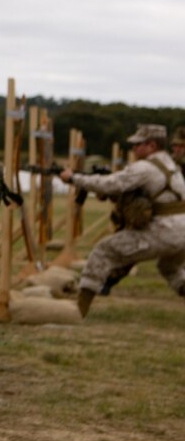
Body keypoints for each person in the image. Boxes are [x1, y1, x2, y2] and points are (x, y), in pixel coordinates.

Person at [61, 124, 185, 317]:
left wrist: (73, 178)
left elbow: (111, 184)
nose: (133, 149)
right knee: (170, 268)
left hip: (164, 230)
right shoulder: (171, 165)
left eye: (138, 144)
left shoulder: (145, 167)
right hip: (181, 233)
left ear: (152, 145)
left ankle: (79, 310)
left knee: (103, 251)